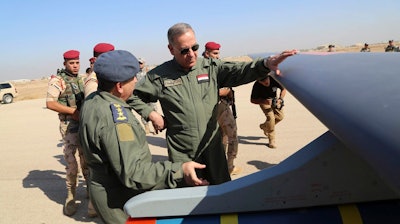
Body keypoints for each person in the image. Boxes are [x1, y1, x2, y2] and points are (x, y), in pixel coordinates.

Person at [129, 22, 297, 185]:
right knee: (188, 194)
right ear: (171, 49)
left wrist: (265, 64)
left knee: (221, 190)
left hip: (212, 145)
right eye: (184, 50)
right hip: (183, 150)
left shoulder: (210, 67)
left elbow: (240, 71)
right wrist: (152, 114)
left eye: (195, 48)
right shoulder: (159, 75)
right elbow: (131, 95)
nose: (192, 54)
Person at [79, 50, 209, 224]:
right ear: (119, 86)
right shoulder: (116, 121)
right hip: (117, 198)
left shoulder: (95, 99)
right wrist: (180, 170)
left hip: (105, 187)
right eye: (132, 78)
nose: (135, 81)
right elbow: (133, 173)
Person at [46, 50, 96, 217]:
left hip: (83, 124)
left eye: (77, 62)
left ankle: (90, 193)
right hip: (69, 126)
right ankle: (70, 196)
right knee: (72, 163)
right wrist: (72, 112)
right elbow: (50, 103)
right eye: (71, 63)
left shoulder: (81, 79)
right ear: (65, 64)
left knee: (86, 160)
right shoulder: (58, 81)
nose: (75, 66)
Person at [203, 41, 240, 175]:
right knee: (232, 137)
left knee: (222, 137)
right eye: (215, 53)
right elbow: (207, 90)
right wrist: (226, 91)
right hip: (219, 106)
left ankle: (221, 165)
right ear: (207, 53)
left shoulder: (210, 65)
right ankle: (229, 167)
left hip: (217, 106)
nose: (218, 56)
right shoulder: (203, 67)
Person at [250, 75, 286, 148]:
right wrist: (265, 101)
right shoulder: (257, 85)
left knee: (280, 117)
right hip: (264, 102)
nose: (265, 82)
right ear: (259, 81)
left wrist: (280, 99)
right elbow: (252, 100)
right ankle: (271, 140)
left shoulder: (274, 79)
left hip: (275, 100)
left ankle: (264, 126)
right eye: (262, 81)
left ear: (268, 77)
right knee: (271, 118)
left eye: (265, 79)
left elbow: (283, 89)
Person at [136, 57, 158, 134]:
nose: (139, 65)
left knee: (154, 112)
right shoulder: (135, 73)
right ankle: (146, 127)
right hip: (142, 96)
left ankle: (156, 128)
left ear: (144, 63)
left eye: (141, 63)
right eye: (138, 63)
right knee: (144, 112)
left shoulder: (149, 72)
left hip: (150, 95)